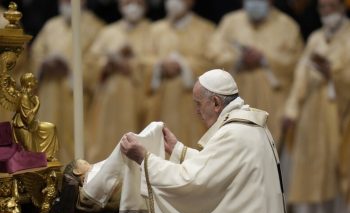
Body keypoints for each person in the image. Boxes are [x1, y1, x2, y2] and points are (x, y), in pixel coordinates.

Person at [120, 69, 290, 213]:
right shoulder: (248, 125)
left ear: (216, 103)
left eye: (198, 104)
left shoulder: (234, 134)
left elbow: (192, 179)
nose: (196, 111)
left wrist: (144, 159)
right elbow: (216, 166)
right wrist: (178, 149)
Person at [283, 0, 350, 213]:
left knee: (340, 168)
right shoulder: (315, 38)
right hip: (312, 115)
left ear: (342, 8)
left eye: (332, 7)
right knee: (311, 169)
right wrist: (291, 109)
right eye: (323, 8)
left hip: (341, 115)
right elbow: (301, 75)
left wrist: (334, 73)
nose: (327, 13)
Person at [206, 0, 304, 147]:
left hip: (275, 106)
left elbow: (297, 64)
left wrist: (264, 59)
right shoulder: (230, 22)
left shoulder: (287, 26)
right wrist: (238, 60)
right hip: (234, 104)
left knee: (269, 157)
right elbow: (212, 55)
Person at [30, 0, 104, 164]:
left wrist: (70, 70)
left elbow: (97, 62)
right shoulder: (51, 26)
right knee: (47, 135)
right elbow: (36, 54)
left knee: (76, 140)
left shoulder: (96, 27)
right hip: (49, 90)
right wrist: (44, 64)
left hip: (77, 95)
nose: (66, 3)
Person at [84, 0, 152, 163]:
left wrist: (132, 65)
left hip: (138, 102)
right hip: (108, 102)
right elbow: (90, 64)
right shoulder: (108, 32)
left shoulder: (153, 31)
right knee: (105, 145)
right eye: (128, 2)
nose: (133, 6)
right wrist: (107, 63)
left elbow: (156, 64)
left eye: (138, 2)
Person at [145, 0, 215, 148]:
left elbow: (212, 62)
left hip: (192, 107)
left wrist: (184, 65)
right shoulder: (154, 30)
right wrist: (159, 65)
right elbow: (141, 61)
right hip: (160, 105)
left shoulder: (206, 30)